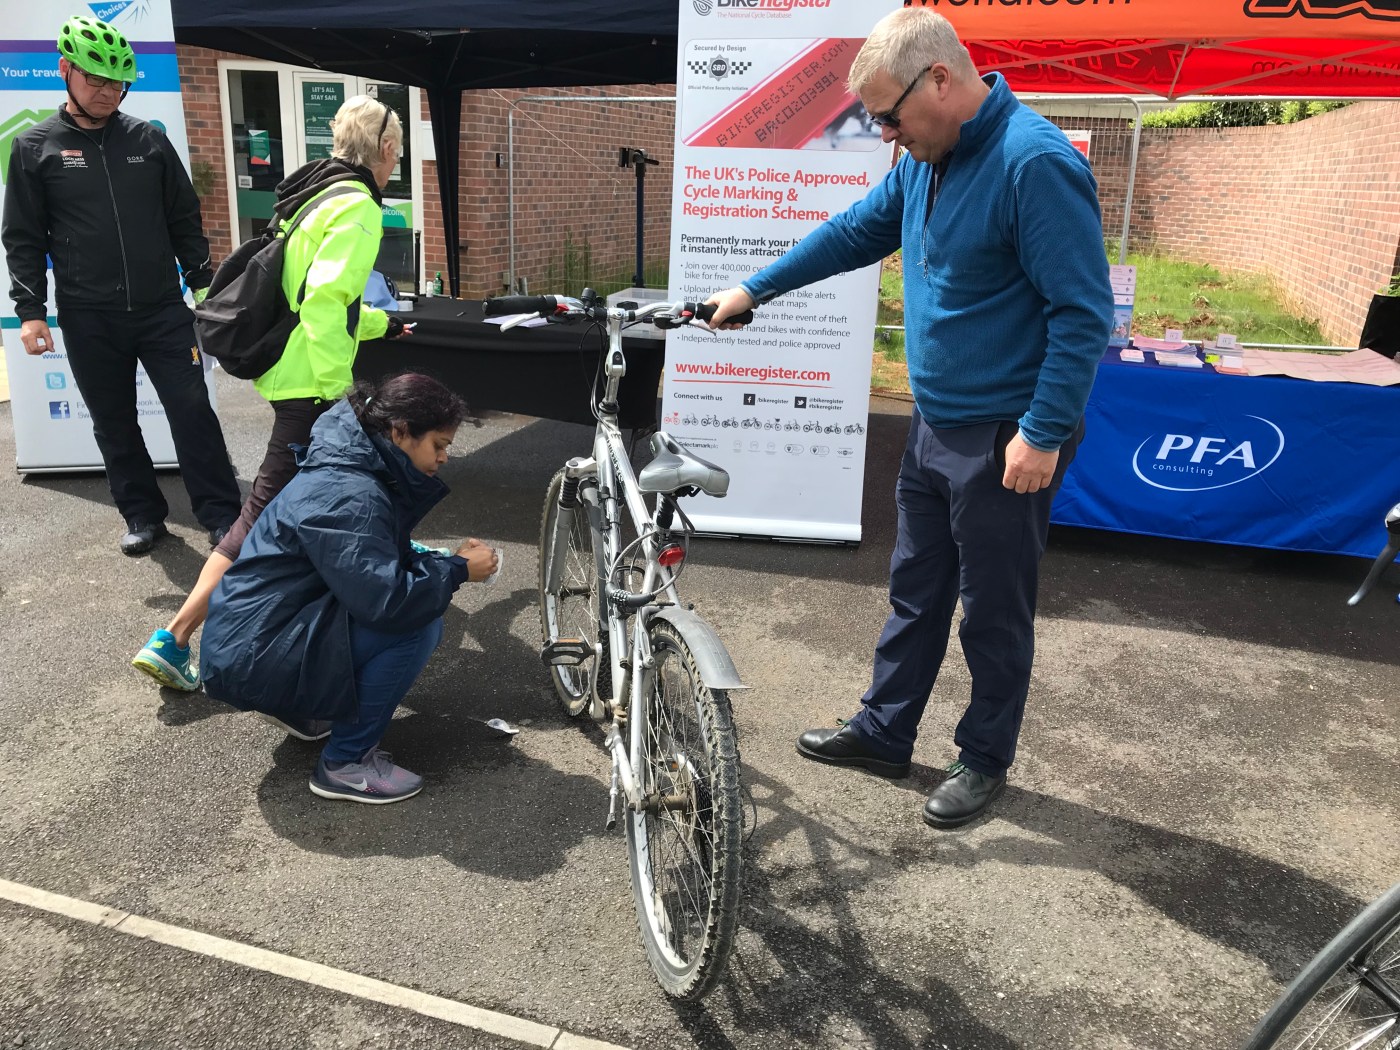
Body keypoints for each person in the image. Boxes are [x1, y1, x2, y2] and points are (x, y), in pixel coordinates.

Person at [705, 8, 1113, 829]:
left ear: (941, 79)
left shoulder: (1033, 163)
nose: (886, 136)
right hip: (935, 425)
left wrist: (1041, 432)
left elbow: (1082, 313)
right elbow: (856, 231)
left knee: (993, 612)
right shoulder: (929, 158)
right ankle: (885, 731)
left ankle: (984, 758)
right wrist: (755, 288)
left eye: (889, 117)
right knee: (916, 591)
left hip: (1005, 436)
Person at [131, 94, 413, 691]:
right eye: (398, 153)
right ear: (386, 148)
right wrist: (340, 397)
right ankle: (175, 637)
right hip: (311, 388)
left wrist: (381, 325)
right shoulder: (359, 207)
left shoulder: (319, 193)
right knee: (264, 511)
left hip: (291, 374)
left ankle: (358, 600)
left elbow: (314, 296)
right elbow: (325, 300)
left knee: (325, 501)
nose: (397, 162)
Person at [2, 14, 243, 556]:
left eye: (118, 82)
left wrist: (205, 288)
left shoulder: (148, 140)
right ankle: (142, 515)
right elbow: (22, 237)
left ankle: (223, 515)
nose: (109, 92)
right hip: (89, 315)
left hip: (162, 310)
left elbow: (184, 219)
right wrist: (31, 311)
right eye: (96, 79)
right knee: (113, 422)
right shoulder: (33, 148)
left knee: (192, 411)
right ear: (65, 70)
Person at [199, 372, 499, 804]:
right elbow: (388, 602)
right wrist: (455, 571)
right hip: (254, 655)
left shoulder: (352, 463)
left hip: (258, 638)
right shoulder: (350, 492)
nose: (444, 456)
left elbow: (370, 567)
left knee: (401, 610)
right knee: (415, 627)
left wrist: (444, 564)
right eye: (439, 444)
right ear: (400, 431)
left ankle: (306, 711)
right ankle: (346, 763)